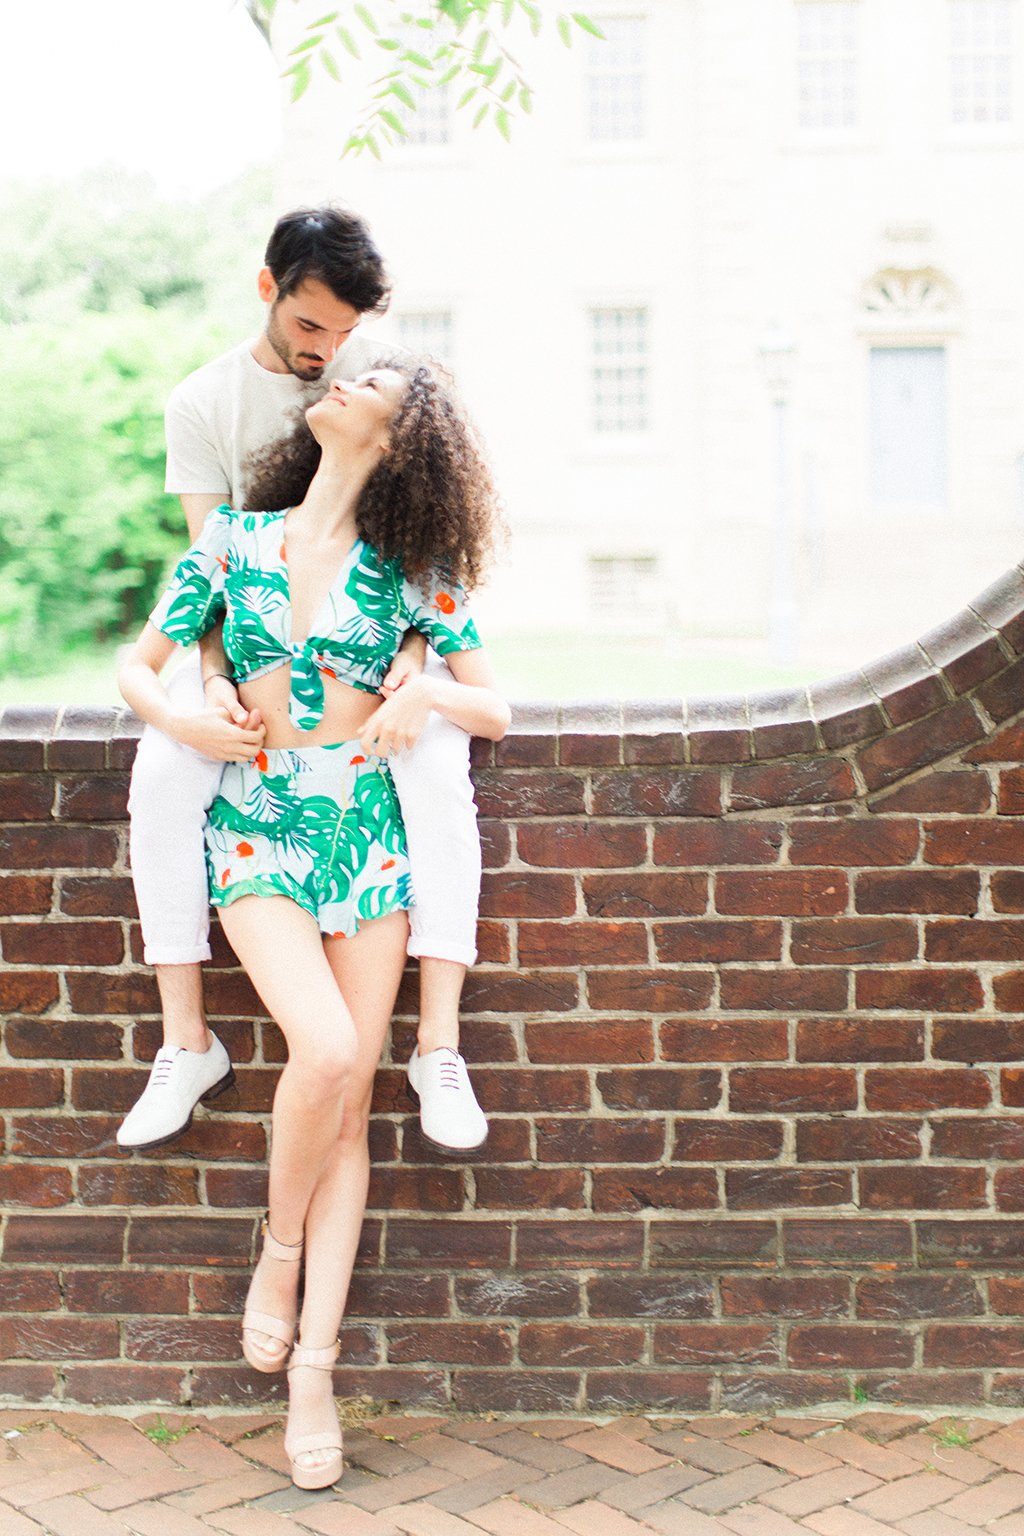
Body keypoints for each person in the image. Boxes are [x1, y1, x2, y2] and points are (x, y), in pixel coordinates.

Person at [118, 360, 510, 1488]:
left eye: (373, 377)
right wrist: (187, 726)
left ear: (401, 435)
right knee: (327, 1052)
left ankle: (314, 1376)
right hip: (258, 827)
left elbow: (496, 703)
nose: (344, 378)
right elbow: (135, 673)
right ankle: (277, 1255)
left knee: (349, 1113)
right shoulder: (232, 541)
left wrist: (424, 692)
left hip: (367, 838)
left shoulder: (411, 568)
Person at [118, 206, 489, 1157]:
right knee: (161, 780)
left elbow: (433, 529)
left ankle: (439, 1044)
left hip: (388, 652)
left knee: (441, 781)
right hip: (247, 657)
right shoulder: (204, 404)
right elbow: (203, 570)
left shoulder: (377, 378)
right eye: (312, 326)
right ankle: (183, 1039)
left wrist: (418, 657)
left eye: (349, 332)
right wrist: (209, 685)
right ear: (268, 291)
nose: (331, 351)